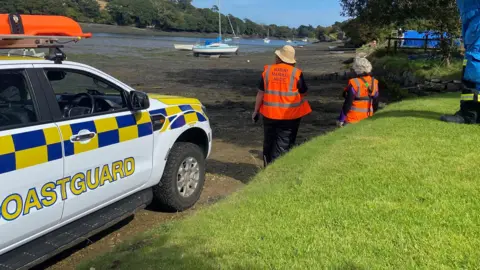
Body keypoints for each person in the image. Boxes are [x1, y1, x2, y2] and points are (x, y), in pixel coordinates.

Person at [252, 45, 312, 167]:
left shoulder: (268, 71)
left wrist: (255, 111)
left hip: (269, 114)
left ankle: (267, 169)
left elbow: (260, 93)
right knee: (283, 144)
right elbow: (304, 92)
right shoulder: (296, 73)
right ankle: (277, 171)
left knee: (269, 142)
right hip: (290, 116)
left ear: (278, 58)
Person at [337, 57, 379, 127]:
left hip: (353, 119)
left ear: (356, 69)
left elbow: (348, 103)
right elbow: (376, 102)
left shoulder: (354, 83)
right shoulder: (374, 82)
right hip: (368, 117)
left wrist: (341, 119)